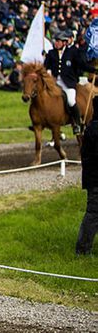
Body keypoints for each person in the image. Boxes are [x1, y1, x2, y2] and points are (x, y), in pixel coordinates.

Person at [44, 31, 95, 134]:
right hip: (54, 82)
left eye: (58, 41)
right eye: (56, 41)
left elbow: (82, 65)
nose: (56, 43)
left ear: (64, 43)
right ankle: (42, 120)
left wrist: (93, 70)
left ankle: (76, 123)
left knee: (71, 100)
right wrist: (48, 73)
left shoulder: (72, 52)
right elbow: (46, 66)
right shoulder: (51, 53)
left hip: (68, 83)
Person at [77, 97, 98, 255]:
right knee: (93, 213)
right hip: (96, 179)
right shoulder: (94, 129)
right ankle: (83, 249)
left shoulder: (92, 128)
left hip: (93, 177)